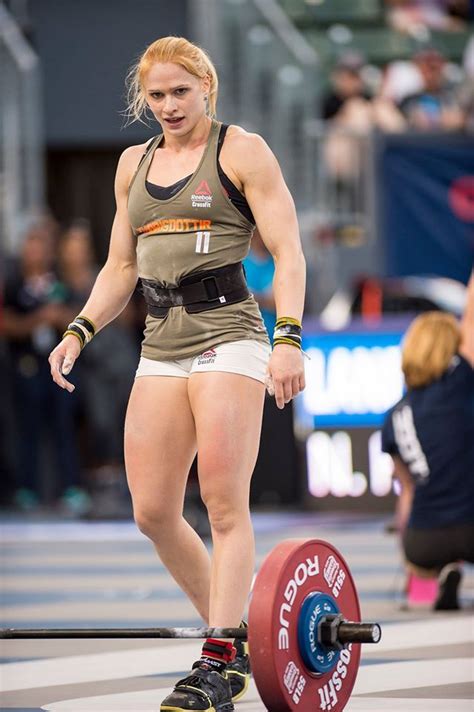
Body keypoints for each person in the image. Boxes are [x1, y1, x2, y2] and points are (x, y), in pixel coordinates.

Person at [48, 36, 306, 711]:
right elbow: (120, 269)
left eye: (179, 93)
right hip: (161, 343)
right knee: (154, 511)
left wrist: (289, 339)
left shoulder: (242, 149)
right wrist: (78, 329)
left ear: (206, 90)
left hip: (231, 334)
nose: (167, 105)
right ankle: (241, 637)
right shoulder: (132, 165)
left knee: (222, 502)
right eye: (156, 95)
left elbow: (289, 250)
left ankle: (219, 658)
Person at [381, 273, 474, 611]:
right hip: (471, 525)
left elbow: (406, 494)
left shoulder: (395, 415)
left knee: (421, 524)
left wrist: (409, 551)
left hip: (424, 539)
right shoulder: (461, 382)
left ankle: (421, 586)